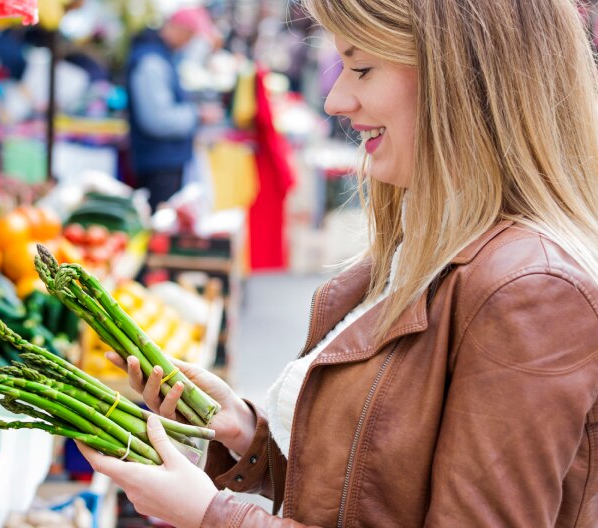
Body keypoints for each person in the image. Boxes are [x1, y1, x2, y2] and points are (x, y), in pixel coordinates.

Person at [77, 0, 598, 526]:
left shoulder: (531, 289)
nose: (334, 100)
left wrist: (212, 515)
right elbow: (381, 491)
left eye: (362, 68)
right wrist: (244, 431)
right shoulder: (430, 242)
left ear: (464, 79)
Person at [126, 7, 223, 211]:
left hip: (162, 162)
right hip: (158, 166)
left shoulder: (161, 56)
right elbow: (157, 119)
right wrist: (196, 115)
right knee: (158, 230)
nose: (189, 42)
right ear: (178, 29)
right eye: (190, 35)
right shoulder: (151, 61)